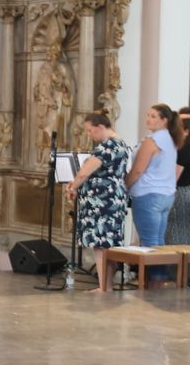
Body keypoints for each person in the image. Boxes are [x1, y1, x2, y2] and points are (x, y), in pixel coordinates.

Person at [65, 111, 128, 292]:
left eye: (90, 130)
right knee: (108, 244)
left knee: (101, 245)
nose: (88, 135)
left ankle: (103, 288)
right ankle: (106, 285)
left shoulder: (106, 147)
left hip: (102, 202)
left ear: (100, 127)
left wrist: (73, 187)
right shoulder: (121, 144)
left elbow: (84, 172)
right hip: (114, 199)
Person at [125, 103, 184, 282]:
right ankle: (159, 278)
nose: (148, 119)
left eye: (153, 116)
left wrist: (124, 186)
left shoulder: (153, 141)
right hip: (166, 195)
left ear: (164, 120)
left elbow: (137, 170)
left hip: (148, 195)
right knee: (158, 240)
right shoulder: (172, 139)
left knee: (149, 241)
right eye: (147, 115)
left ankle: (155, 281)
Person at [166, 107, 190, 245]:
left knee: (177, 235)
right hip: (186, 191)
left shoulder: (183, 148)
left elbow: (174, 176)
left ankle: (177, 267)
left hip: (180, 193)